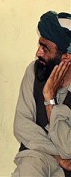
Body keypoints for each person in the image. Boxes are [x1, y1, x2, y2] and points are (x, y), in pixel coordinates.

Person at [13, 11, 71, 177]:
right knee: (28, 167)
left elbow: (68, 147)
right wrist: (58, 156)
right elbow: (21, 125)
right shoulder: (34, 70)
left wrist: (49, 99)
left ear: (67, 57)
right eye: (39, 45)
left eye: (45, 48)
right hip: (38, 154)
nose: (38, 52)